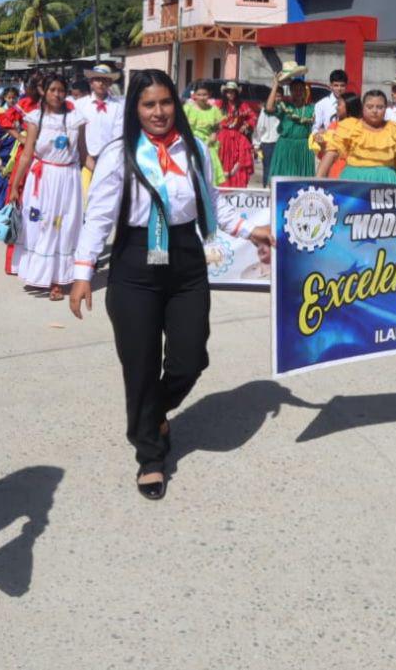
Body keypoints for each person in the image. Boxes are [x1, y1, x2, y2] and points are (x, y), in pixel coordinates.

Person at [69, 69, 273, 500]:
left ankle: (152, 411)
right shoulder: (119, 154)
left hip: (184, 258)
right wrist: (83, 274)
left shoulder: (195, 147)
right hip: (135, 263)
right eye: (148, 105)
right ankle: (151, 455)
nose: (159, 112)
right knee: (140, 363)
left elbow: (211, 204)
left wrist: (248, 229)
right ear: (136, 110)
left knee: (190, 357)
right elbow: (99, 217)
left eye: (165, 103)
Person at [8, 75, 85, 300]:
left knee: (65, 226)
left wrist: (103, 172)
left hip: (69, 179)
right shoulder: (35, 118)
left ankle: (58, 281)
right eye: (52, 90)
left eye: (61, 90)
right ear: (44, 91)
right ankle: (38, 274)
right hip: (42, 179)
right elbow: (27, 154)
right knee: (41, 225)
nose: (57, 94)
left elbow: (83, 152)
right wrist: (15, 186)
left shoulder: (76, 119)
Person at [316, 89, 396, 183]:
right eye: (370, 107)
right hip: (354, 181)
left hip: (385, 183)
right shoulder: (350, 127)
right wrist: (317, 182)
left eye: (380, 107)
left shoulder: (394, 130)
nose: (375, 111)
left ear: (386, 108)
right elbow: (331, 154)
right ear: (363, 108)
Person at [263, 61, 316, 178]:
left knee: (301, 181)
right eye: (295, 90)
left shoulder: (311, 109)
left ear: (305, 92)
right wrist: (276, 84)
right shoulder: (285, 106)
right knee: (283, 178)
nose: (298, 92)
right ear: (291, 92)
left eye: (300, 90)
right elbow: (269, 107)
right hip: (285, 146)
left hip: (303, 148)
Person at [75, 64, 124, 189]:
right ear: (91, 82)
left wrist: (108, 160)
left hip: (110, 162)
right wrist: (85, 157)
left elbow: (118, 136)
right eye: (97, 79)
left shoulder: (118, 106)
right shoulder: (80, 105)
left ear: (110, 83)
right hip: (84, 159)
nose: (101, 83)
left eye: (105, 80)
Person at [309, 90, 360, 179]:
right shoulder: (334, 125)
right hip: (335, 169)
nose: (336, 108)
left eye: (339, 105)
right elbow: (327, 152)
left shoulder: (359, 127)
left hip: (351, 170)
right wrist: (322, 144)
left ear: (349, 106)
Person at [183, 82, 226, 185]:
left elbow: (218, 127)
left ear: (209, 95)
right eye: (199, 94)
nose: (202, 97)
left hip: (208, 144)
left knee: (209, 173)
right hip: (191, 143)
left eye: (204, 94)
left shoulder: (213, 110)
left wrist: (214, 134)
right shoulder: (188, 108)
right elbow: (181, 125)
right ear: (194, 95)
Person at [217, 81, 257, 187]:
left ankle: (237, 187)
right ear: (225, 93)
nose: (230, 94)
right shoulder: (220, 105)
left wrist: (246, 125)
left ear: (236, 93)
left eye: (232, 92)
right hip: (223, 138)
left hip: (238, 138)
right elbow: (211, 117)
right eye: (228, 92)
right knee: (222, 161)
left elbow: (253, 117)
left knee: (239, 162)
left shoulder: (242, 105)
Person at [253, 87, 282, 187]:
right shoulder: (266, 110)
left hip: (280, 143)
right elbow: (260, 127)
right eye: (275, 96)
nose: (277, 99)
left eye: (279, 96)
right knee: (268, 169)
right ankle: (267, 191)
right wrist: (256, 144)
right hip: (268, 144)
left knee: (279, 169)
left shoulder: (283, 109)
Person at [312, 68, 349, 135]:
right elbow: (315, 128)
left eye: (342, 85)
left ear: (346, 86)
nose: (339, 89)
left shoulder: (351, 103)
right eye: (336, 85)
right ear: (331, 86)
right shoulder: (321, 104)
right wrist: (320, 133)